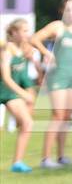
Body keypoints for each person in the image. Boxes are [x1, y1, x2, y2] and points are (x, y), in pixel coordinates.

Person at [31, 0, 72, 168]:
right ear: (62, 11)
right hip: (58, 76)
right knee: (57, 115)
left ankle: (61, 156)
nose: (71, 13)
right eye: (68, 9)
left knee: (66, 116)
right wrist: (46, 52)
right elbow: (34, 38)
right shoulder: (57, 26)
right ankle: (45, 159)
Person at [0, 19, 38, 172]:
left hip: (10, 94)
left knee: (27, 123)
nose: (26, 34)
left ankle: (17, 163)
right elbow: (6, 78)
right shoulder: (6, 51)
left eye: (28, 31)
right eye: (24, 31)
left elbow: (23, 76)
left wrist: (30, 92)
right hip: (6, 90)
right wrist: (24, 94)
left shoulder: (24, 50)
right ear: (14, 32)